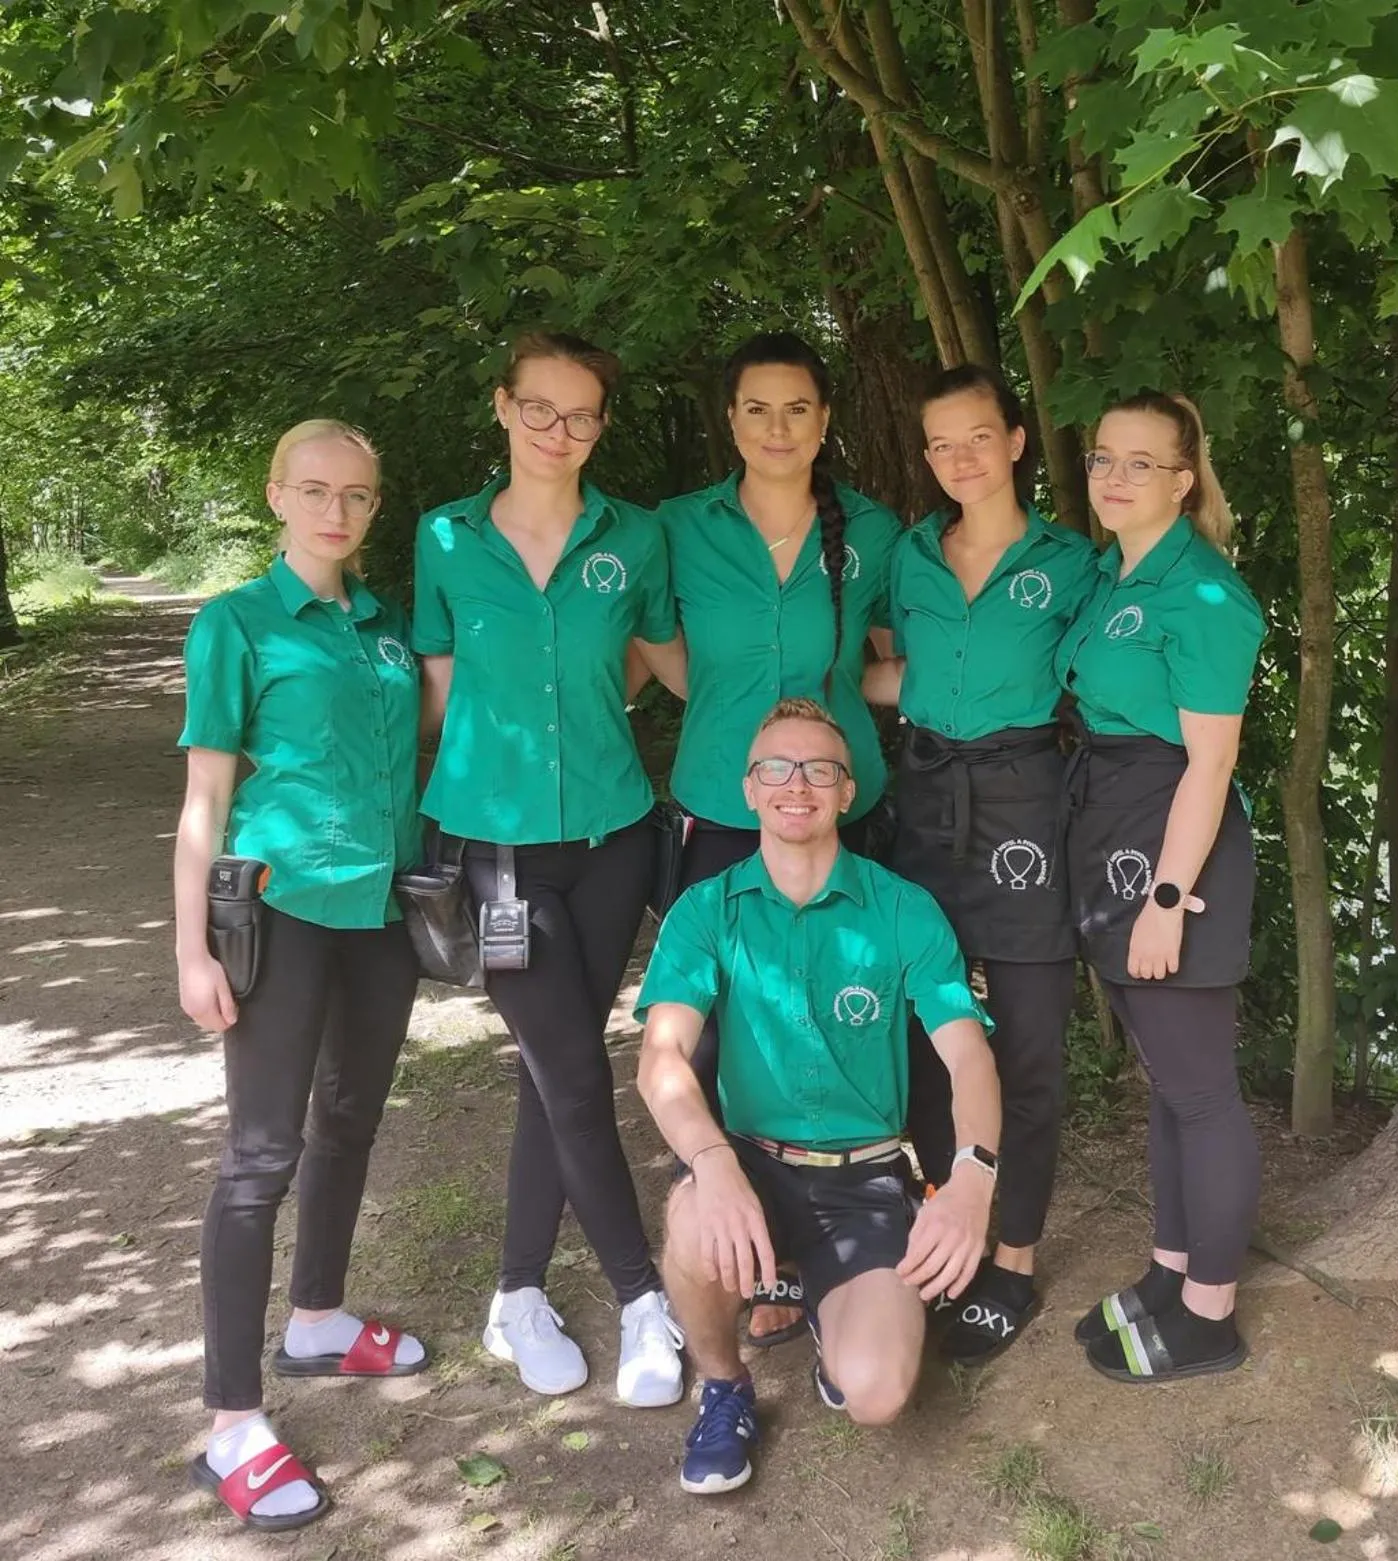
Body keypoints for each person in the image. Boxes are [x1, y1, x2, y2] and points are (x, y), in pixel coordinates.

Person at [412, 331, 684, 1405]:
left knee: (550, 1068)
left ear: (601, 424)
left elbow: (662, 661)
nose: (557, 431)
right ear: (502, 406)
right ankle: (639, 1300)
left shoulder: (637, 535)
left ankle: (515, 1295)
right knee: (573, 1072)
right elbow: (429, 693)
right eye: (539, 409)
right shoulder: (445, 536)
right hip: (493, 849)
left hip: (615, 836)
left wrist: (790, 694)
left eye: (579, 414)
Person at [634, 698, 1000, 1494]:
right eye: (777, 767)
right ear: (750, 788)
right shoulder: (705, 910)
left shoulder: (904, 909)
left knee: (877, 1393)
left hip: (863, 1176)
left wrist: (973, 1174)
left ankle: (828, 1314)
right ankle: (725, 1386)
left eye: (819, 770)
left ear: (846, 792)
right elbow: (659, 1055)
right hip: (752, 1165)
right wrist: (711, 1160)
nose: (796, 783)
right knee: (695, 1216)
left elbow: (968, 1054)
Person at [174, 420, 426, 1530]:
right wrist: (190, 948)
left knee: (351, 1118)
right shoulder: (236, 623)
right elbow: (204, 802)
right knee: (258, 1154)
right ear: (277, 494)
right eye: (315, 490)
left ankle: (316, 1316)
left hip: (379, 911)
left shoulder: (388, 631)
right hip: (276, 912)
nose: (336, 511)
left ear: (375, 509)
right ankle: (231, 1421)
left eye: (357, 496)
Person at [642, 331, 902, 1346]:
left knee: (837, 1025)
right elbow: (659, 651)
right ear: (730, 419)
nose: (778, 427)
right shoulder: (677, 528)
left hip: (846, 808)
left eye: (798, 407)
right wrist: (722, 708)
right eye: (757, 407)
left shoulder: (871, 533)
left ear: (824, 421)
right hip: (720, 809)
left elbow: (894, 660)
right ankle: (724, 1246)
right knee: (714, 1041)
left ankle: (817, 1249)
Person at [863, 364, 1098, 1360]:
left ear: (1012, 440)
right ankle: (940, 1221)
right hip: (922, 798)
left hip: (1026, 805)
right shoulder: (906, 555)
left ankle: (1011, 1257)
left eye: (977, 437)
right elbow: (875, 661)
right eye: (939, 443)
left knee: (1029, 1042)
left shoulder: (1073, 561)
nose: (959, 458)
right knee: (917, 1031)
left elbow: (1109, 681)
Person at [1055, 391, 1266, 1383]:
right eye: (1104, 456)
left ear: (1184, 480)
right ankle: (1170, 1274)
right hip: (1114, 829)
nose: (1115, 477)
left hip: (1174, 846)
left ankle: (1210, 1315)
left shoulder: (1208, 596)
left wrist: (1167, 900)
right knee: (1166, 1086)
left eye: (1142, 463)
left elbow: (1208, 766)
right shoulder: (1111, 571)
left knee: (1200, 1091)